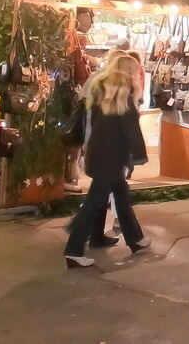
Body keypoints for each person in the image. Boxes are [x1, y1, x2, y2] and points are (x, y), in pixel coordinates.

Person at [64, 54, 151, 267]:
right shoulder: (124, 99)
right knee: (94, 204)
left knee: (120, 196)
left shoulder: (100, 94)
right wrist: (140, 156)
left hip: (98, 156)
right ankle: (74, 249)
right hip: (111, 160)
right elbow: (132, 131)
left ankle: (135, 239)